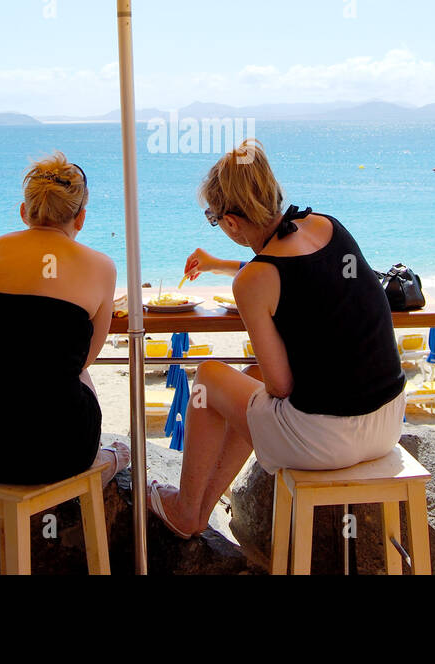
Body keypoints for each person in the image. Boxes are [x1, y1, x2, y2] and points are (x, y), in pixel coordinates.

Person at [154, 140, 405, 537]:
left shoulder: (254, 281)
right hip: (388, 421)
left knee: (207, 378)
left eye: (214, 218)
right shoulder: (328, 227)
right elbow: (300, 273)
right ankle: (201, 508)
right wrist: (223, 266)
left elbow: (281, 386)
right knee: (249, 375)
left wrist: (239, 277)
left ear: (231, 222)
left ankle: (187, 510)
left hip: (326, 441)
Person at [0, 153, 128, 486]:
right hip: (50, 455)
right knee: (74, 374)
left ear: (24, 212)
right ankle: (108, 458)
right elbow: (85, 361)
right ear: (80, 219)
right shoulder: (101, 266)